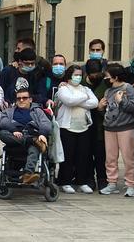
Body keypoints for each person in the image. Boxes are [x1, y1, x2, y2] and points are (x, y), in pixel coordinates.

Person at [54, 64, 99, 193]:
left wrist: (78, 100)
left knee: (83, 156)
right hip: (67, 128)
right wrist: (84, 98)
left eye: (80, 75)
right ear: (69, 76)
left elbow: (94, 102)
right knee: (68, 156)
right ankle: (65, 181)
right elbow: (68, 101)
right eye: (76, 75)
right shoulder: (63, 89)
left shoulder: (85, 88)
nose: (78, 77)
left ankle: (81, 181)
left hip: (83, 127)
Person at [100, 63, 134, 197]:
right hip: (109, 127)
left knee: (129, 158)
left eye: (107, 76)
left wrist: (122, 101)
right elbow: (107, 109)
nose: (105, 79)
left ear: (115, 77)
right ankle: (111, 183)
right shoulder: (108, 91)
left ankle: (131, 184)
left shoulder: (128, 88)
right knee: (110, 158)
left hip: (126, 127)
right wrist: (100, 107)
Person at [0, 88, 52, 184]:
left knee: (34, 149)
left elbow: (46, 124)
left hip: (32, 134)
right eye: (19, 98)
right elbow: (3, 122)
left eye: (24, 98)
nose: (21, 100)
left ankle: (27, 174)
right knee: (2, 133)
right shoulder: (9, 111)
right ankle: (31, 140)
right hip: (15, 137)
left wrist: (43, 134)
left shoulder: (38, 111)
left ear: (30, 99)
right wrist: (14, 130)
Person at [82, 58, 110, 193]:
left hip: (100, 127)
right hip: (84, 126)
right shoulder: (81, 84)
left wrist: (101, 109)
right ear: (87, 74)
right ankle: (89, 179)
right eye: (93, 75)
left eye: (98, 74)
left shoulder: (105, 84)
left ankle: (102, 179)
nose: (96, 77)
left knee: (100, 155)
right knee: (86, 154)